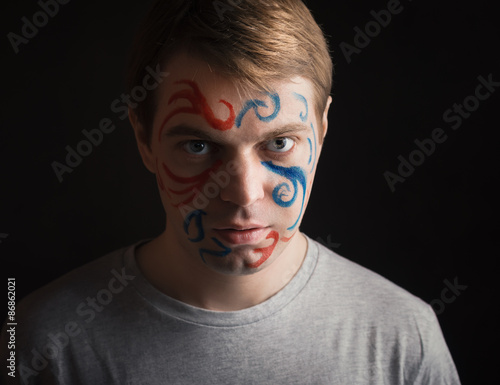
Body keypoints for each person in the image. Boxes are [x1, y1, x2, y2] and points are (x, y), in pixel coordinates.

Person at [1, 0, 461, 383]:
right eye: (199, 146)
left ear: (320, 134)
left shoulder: (404, 339)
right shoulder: (35, 341)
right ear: (144, 139)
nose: (242, 193)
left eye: (279, 143)